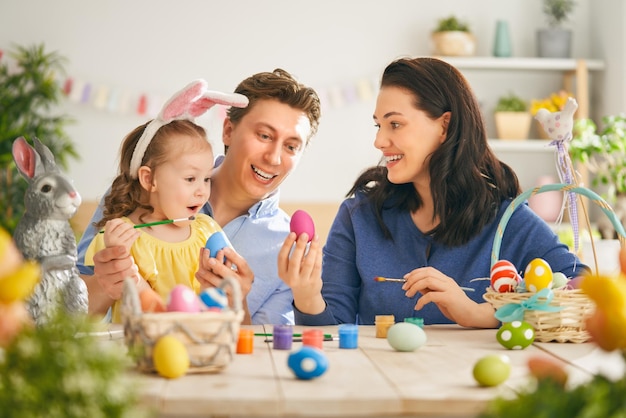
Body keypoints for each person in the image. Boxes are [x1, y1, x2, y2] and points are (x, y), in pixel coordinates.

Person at [278, 56, 588, 328]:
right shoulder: (359, 216)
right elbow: (333, 330)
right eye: (378, 126)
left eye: (395, 124)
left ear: (444, 127)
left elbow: (582, 288)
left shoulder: (505, 219)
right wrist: (306, 295)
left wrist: (481, 314)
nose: (379, 141)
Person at [77, 69, 321, 325]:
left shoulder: (288, 249)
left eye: (291, 146)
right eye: (264, 135)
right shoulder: (139, 193)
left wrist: (239, 307)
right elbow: (67, 313)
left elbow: (263, 353)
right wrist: (109, 282)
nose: (273, 158)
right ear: (228, 130)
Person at [83, 80, 248, 323]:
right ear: (149, 179)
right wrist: (117, 255)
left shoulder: (207, 230)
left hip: (201, 350)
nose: (202, 191)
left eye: (206, 179)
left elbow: (225, 304)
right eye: (190, 178)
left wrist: (227, 288)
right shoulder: (119, 238)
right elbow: (88, 316)